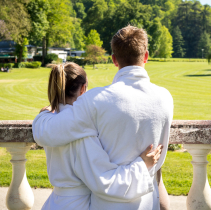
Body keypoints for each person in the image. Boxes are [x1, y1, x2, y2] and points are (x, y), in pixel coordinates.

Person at [33, 25, 173, 210]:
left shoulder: (95, 100)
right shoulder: (165, 98)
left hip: (108, 202)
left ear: (114, 59)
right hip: (148, 200)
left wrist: (45, 114)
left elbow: (48, 132)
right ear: (146, 56)